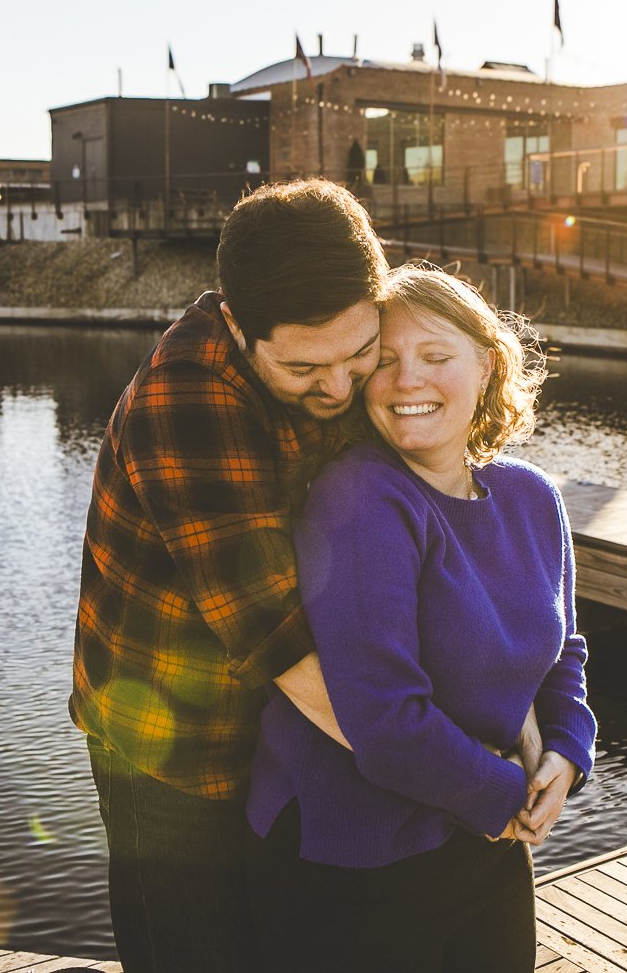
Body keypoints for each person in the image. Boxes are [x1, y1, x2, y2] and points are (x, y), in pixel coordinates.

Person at [70, 179, 389, 973]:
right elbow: (275, 638)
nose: (342, 389)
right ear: (240, 328)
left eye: (361, 354)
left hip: (279, 738)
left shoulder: (334, 349)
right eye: (305, 368)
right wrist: (433, 768)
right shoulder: (185, 396)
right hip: (167, 746)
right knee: (190, 951)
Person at [245, 263, 597, 972]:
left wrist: (567, 750)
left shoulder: (531, 498)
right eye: (385, 362)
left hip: (482, 832)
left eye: (435, 357)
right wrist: (508, 796)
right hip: (352, 855)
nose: (407, 381)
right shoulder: (360, 501)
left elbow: (563, 651)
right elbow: (382, 718)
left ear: (487, 365)